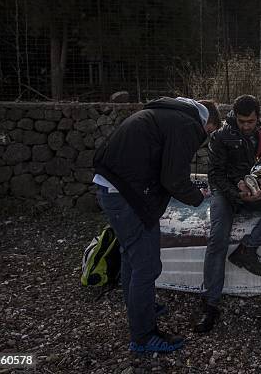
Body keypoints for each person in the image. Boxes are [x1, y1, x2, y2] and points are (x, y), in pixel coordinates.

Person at [93, 96, 221, 353]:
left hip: (112, 186)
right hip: (126, 195)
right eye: (210, 133)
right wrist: (198, 197)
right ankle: (143, 336)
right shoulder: (187, 125)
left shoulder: (167, 113)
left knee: (131, 256)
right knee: (147, 265)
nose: (206, 138)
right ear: (209, 123)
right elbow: (173, 178)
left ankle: (139, 307)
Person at [196, 95, 261, 333]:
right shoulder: (220, 136)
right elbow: (215, 176)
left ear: (258, 118)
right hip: (227, 194)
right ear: (235, 117)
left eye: (250, 121)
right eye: (241, 121)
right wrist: (238, 195)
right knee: (218, 237)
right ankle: (210, 303)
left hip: (255, 192)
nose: (246, 126)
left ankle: (247, 249)